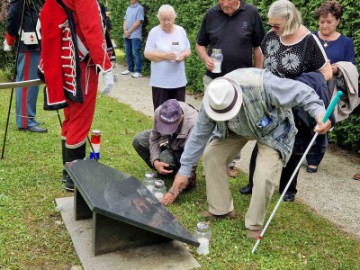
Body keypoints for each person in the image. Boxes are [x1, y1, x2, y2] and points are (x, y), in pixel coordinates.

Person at [161, 68, 331, 240]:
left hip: (271, 131)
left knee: (264, 174)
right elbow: (198, 135)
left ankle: (254, 224)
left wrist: (320, 113)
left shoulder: (264, 85)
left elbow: (303, 92)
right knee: (212, 155)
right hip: (235, 128)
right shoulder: (212, 99)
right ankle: (221, 210)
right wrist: (184, 170)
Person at [239, 0, 333, 202]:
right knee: (263, 139)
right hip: (271, 101)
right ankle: (253, 182)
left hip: (296, 105)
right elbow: (262, 61)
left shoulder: (309, 41)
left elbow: (326, 72)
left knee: (296, 146)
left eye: (276, 25)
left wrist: (299, 85)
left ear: (290, 20)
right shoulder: (272, 35)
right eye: (271, 24)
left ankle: (288, 189)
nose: (272, 28)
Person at [38, 0, 114, 191]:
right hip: (80, 67)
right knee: (80, 121)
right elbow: (92, 28)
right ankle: (75, 177)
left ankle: (68, 172)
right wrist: (106, 66)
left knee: (70, 119)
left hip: (64, 64)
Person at [195, 0, 265, 177]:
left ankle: (231, 162)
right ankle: (212, 162)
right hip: (214, 80)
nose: (225, 3)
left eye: (229, 1)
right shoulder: (211, 14)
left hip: (241, 81)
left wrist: (257, 75)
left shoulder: (251, 13)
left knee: (236, 122)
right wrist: (205, 59)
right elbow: (200, 44)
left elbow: (258, 47)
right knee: (213, 119)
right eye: (221, 0)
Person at [306, 0, 357, 173]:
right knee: (304, 119)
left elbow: (352, 67)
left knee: (324, 120)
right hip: (310, 85)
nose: (324, 25)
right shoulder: (310, 37)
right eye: (321, 22)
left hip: (330, 89)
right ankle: (300, 151)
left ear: (338, 21)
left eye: (329, 22)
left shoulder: (346, 42)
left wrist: (336, 68)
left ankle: (315, 158)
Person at [133, 99, 198, 189]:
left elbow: (192, 157)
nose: (167, 129)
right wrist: (155, 161)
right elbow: (154, 138)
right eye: (164, 125)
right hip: (167, 141)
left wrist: (183, 177)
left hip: (183, 151)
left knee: (165, 158)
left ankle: (177, 174)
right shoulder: (160, 112)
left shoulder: (195, 124)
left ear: (181, 117)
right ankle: (162, 169)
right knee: (139, 140)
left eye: (171, 126)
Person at [4, 0, 47, 133]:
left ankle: (29, 117)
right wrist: (10, 38)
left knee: (32, 86)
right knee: (26, 84)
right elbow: (14, 14)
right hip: (28, 42)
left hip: (35, 40)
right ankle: (25, 121)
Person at [144, 4, 191, 111]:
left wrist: (183, 55)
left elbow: (188, 50)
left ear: (174, 17)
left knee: (179, 112)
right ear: (159, 18)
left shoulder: (181, 31)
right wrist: (165, 56)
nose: (166, 22)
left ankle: (178, 128)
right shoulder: (154, 32)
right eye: (163, 19)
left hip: (178, 81)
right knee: (161, 112)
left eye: (169, 19)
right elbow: (147, 54)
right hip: (160, 82)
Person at [121, 0, 144, 78]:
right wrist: (125, 31)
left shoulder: (140, 8)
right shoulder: (128, 8)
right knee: (128, 52)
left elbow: (138, 22)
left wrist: (129, 31)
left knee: (136, 53)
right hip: (127, 34)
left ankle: (138, 71)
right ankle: (130, 69)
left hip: (135, 35)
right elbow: (125, 20)